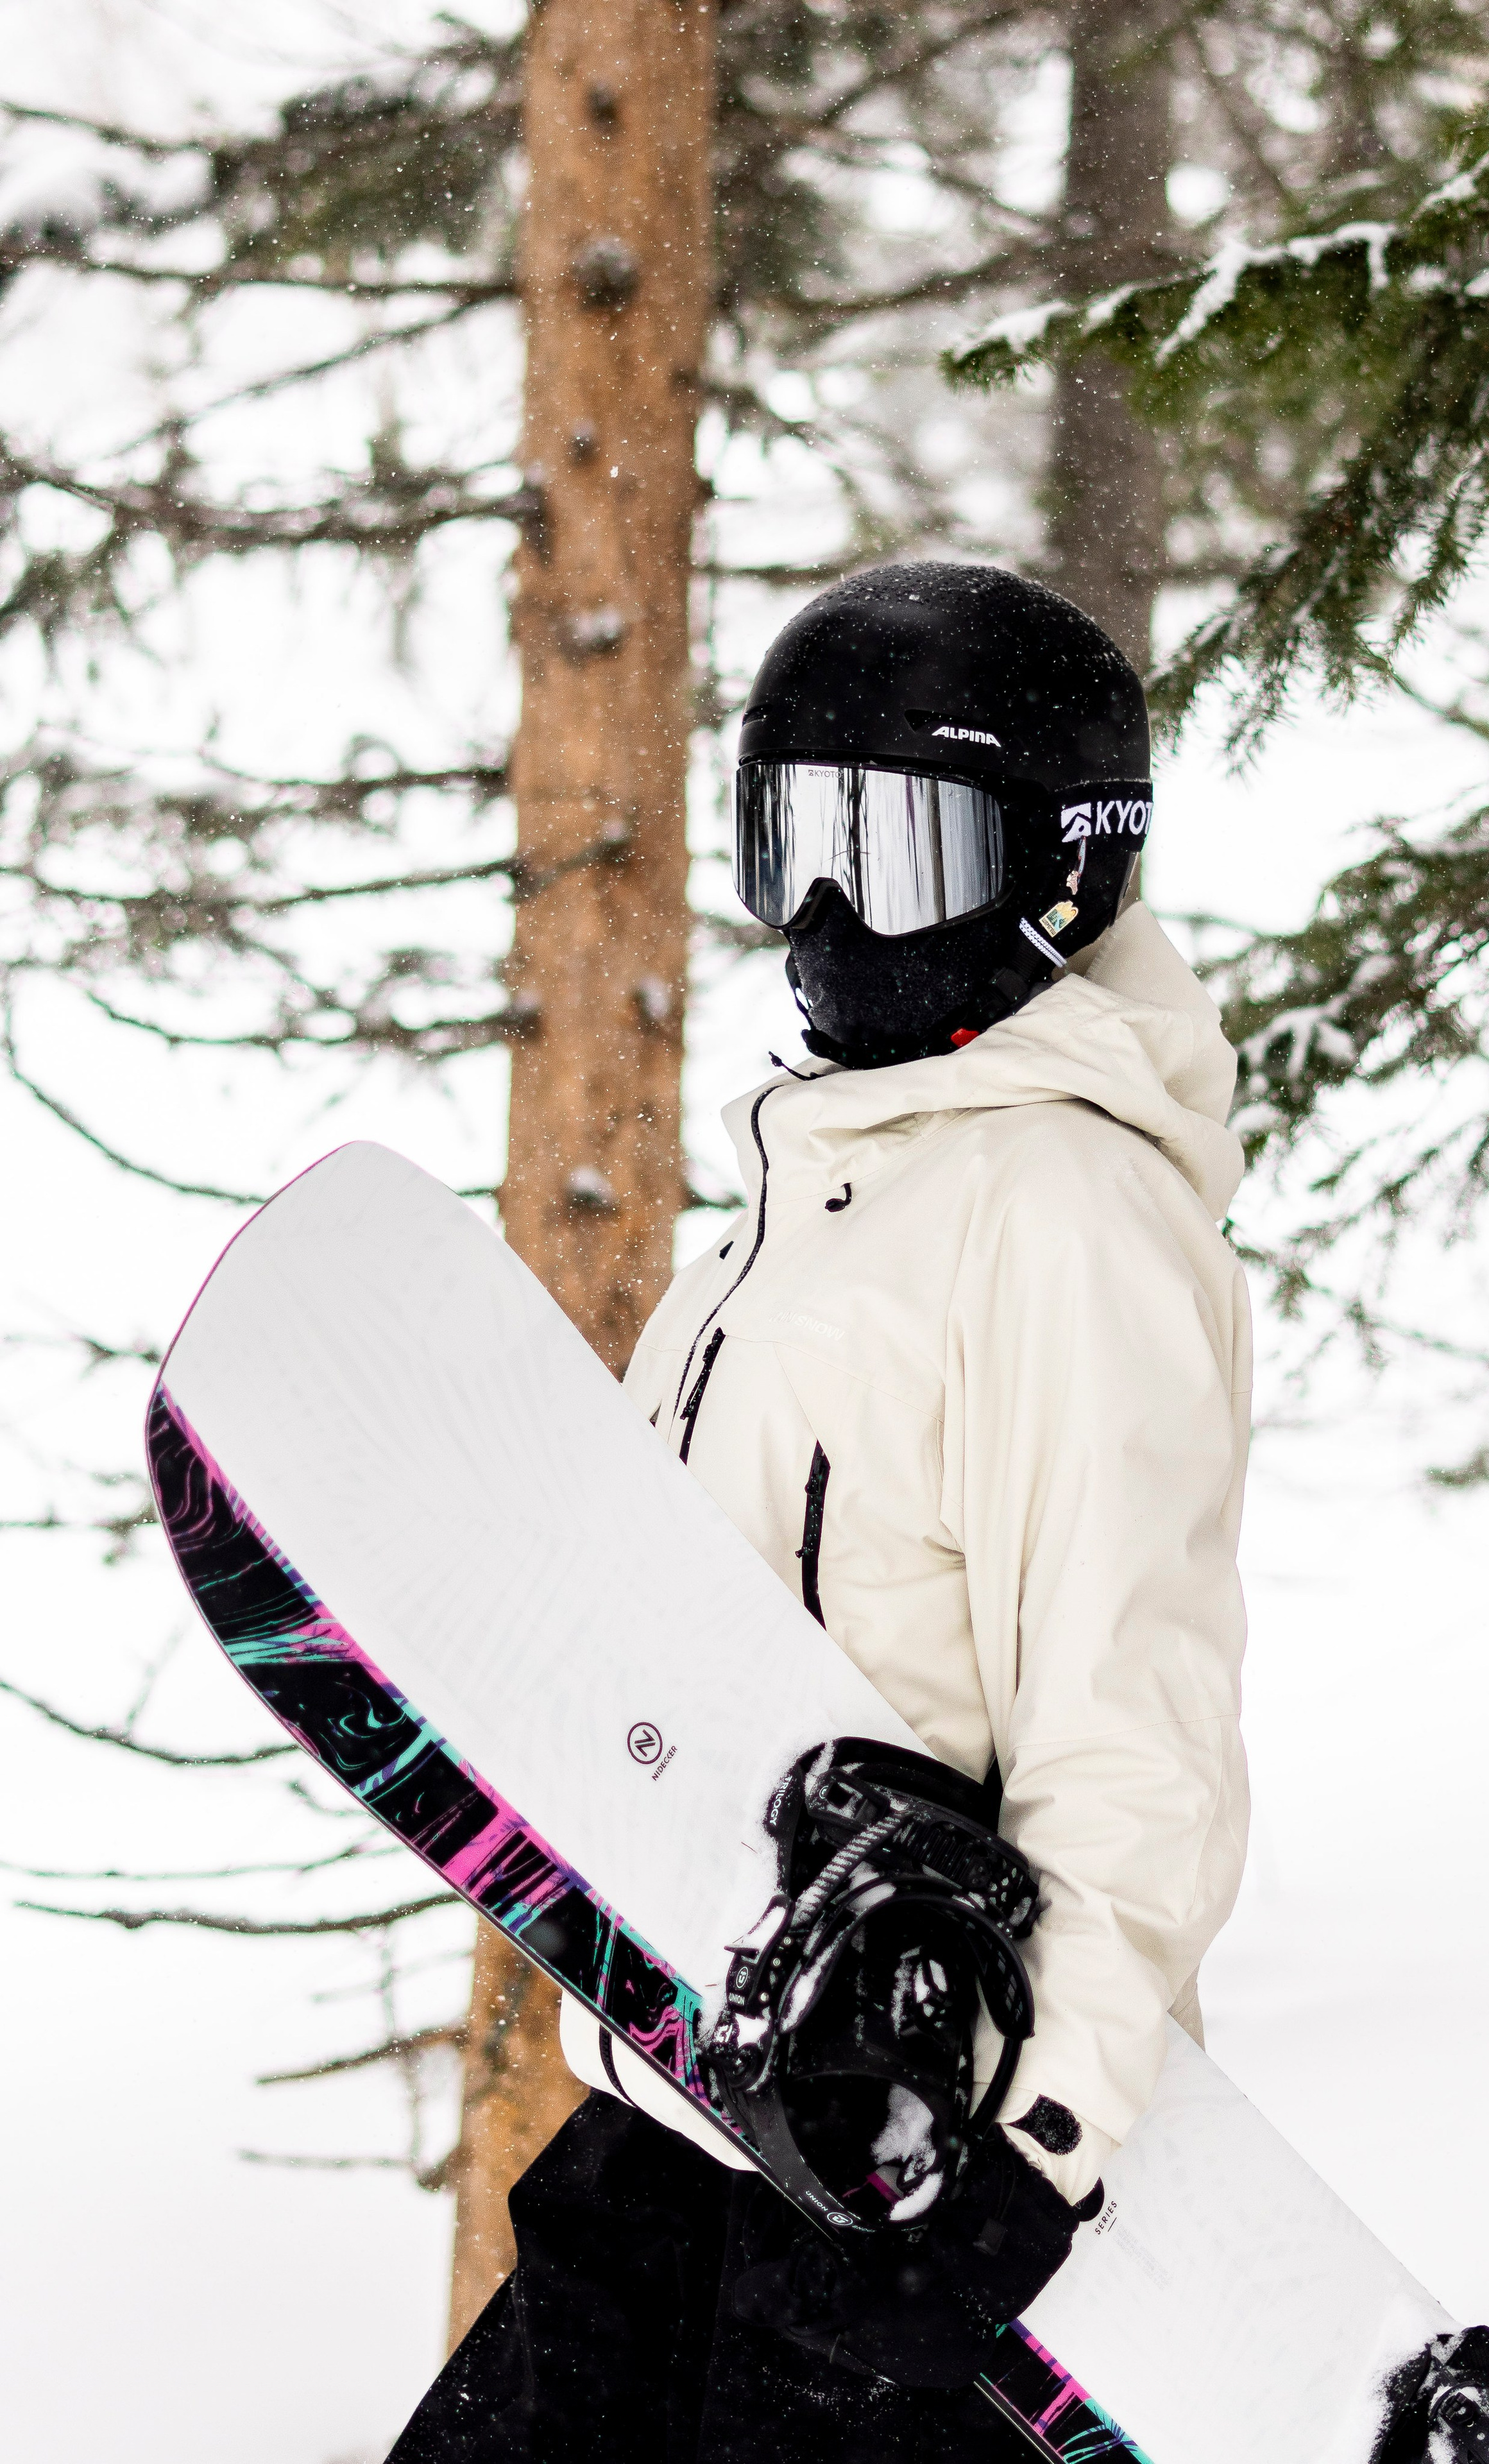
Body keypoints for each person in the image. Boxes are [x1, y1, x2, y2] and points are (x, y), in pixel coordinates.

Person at [391, 561, 1253, 2463]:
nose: (844, 915)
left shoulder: (1065, 1219)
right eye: (807, 841)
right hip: (700, 2119)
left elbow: (1141, 1732)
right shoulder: (802, 1203)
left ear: (1065, 870)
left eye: (910, 847)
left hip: (915, 2176)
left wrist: (1031, 2157)